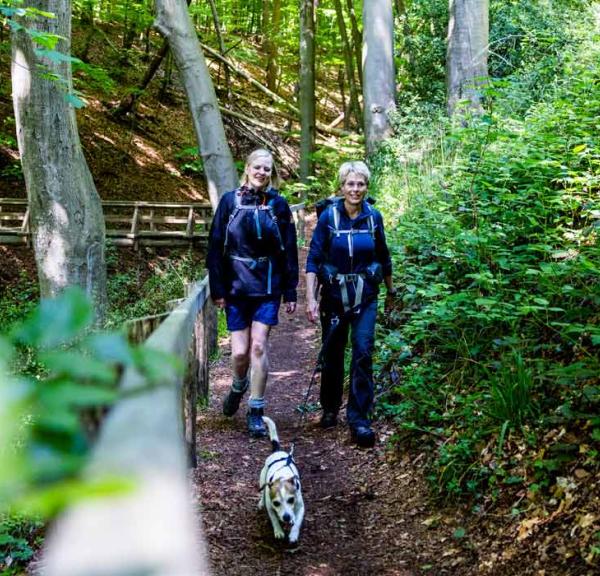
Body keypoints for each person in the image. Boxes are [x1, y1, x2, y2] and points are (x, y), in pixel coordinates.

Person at [206, 149, 298, 438]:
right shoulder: (229, 202)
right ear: (246, 168)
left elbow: (290, 249)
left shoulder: (279, 205)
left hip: (268, 286)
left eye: (267, 169)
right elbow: (215, 246)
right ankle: (237, 385)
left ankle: (256, 409)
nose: (262, 172)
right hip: (236, 287)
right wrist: (217, 288)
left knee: (258, 346)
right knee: (240, 353)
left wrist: (290, 289)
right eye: (257, 167)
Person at [305, 161, 394, 448]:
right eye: (350, 184)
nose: (355, 189)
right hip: (334, 297)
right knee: (332, 354)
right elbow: (313, 259)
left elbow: (383, 255)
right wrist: (310, 298)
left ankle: (359, 418)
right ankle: (330, 408)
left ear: (367, 187)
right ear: (341, 187)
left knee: (363, 351)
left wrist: (391, 290)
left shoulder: (374, 217)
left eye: (360, 184)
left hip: (366, 296)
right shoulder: (328, 217)